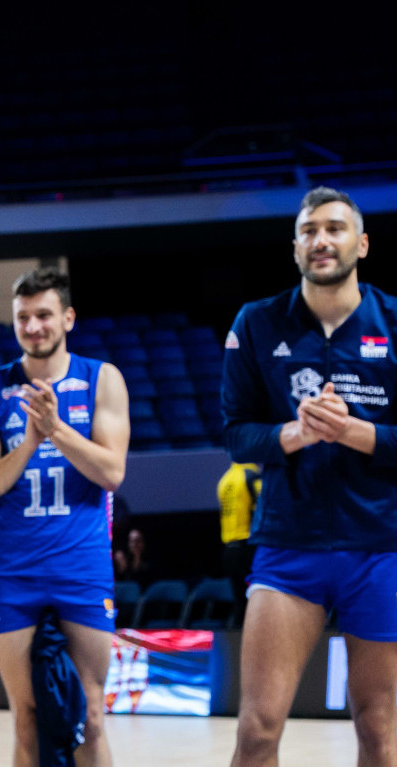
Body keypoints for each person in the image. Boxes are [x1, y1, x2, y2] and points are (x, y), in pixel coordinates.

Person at [222, 186, 396, 766]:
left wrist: (353, 432)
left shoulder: (394, 320)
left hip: (381, 548)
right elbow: (236, 434)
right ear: (295, 247)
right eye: (309, 231)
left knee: (379, 732)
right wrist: (293, 435)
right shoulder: (257, 322)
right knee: (257, 732)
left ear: (362, 243)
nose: (321, 240)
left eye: (334, 228)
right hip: (288, 546)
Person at [0, 267, 130, 767]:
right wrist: (31, 442)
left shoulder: (102, 379)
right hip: (15, 571)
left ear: (68, 318)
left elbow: (112, 473)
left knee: (91, 717)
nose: (33, 326)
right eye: (23, 317)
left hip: (82, 566)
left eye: (43, 315)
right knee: (26, 718)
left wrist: (56, 428)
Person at [216, 461, 260, 626]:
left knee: (241, 602)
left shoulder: (225, 480)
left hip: (229, 550)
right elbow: (264, 508)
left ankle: (238, 639)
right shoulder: (252, 475)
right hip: (249, 549)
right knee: (260, 600)